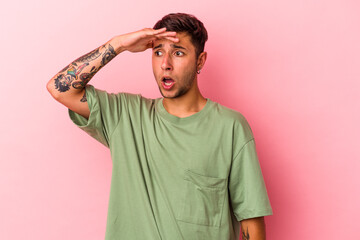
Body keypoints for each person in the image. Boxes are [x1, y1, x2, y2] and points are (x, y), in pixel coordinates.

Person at [47, 13, 273, 240]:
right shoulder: (125, 115)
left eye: (178, 53)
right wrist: (118, 45)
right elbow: (60, 89)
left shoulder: (230, 127)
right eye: (158, 52)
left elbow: (251, 220)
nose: (165, 64)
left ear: (200, 61)